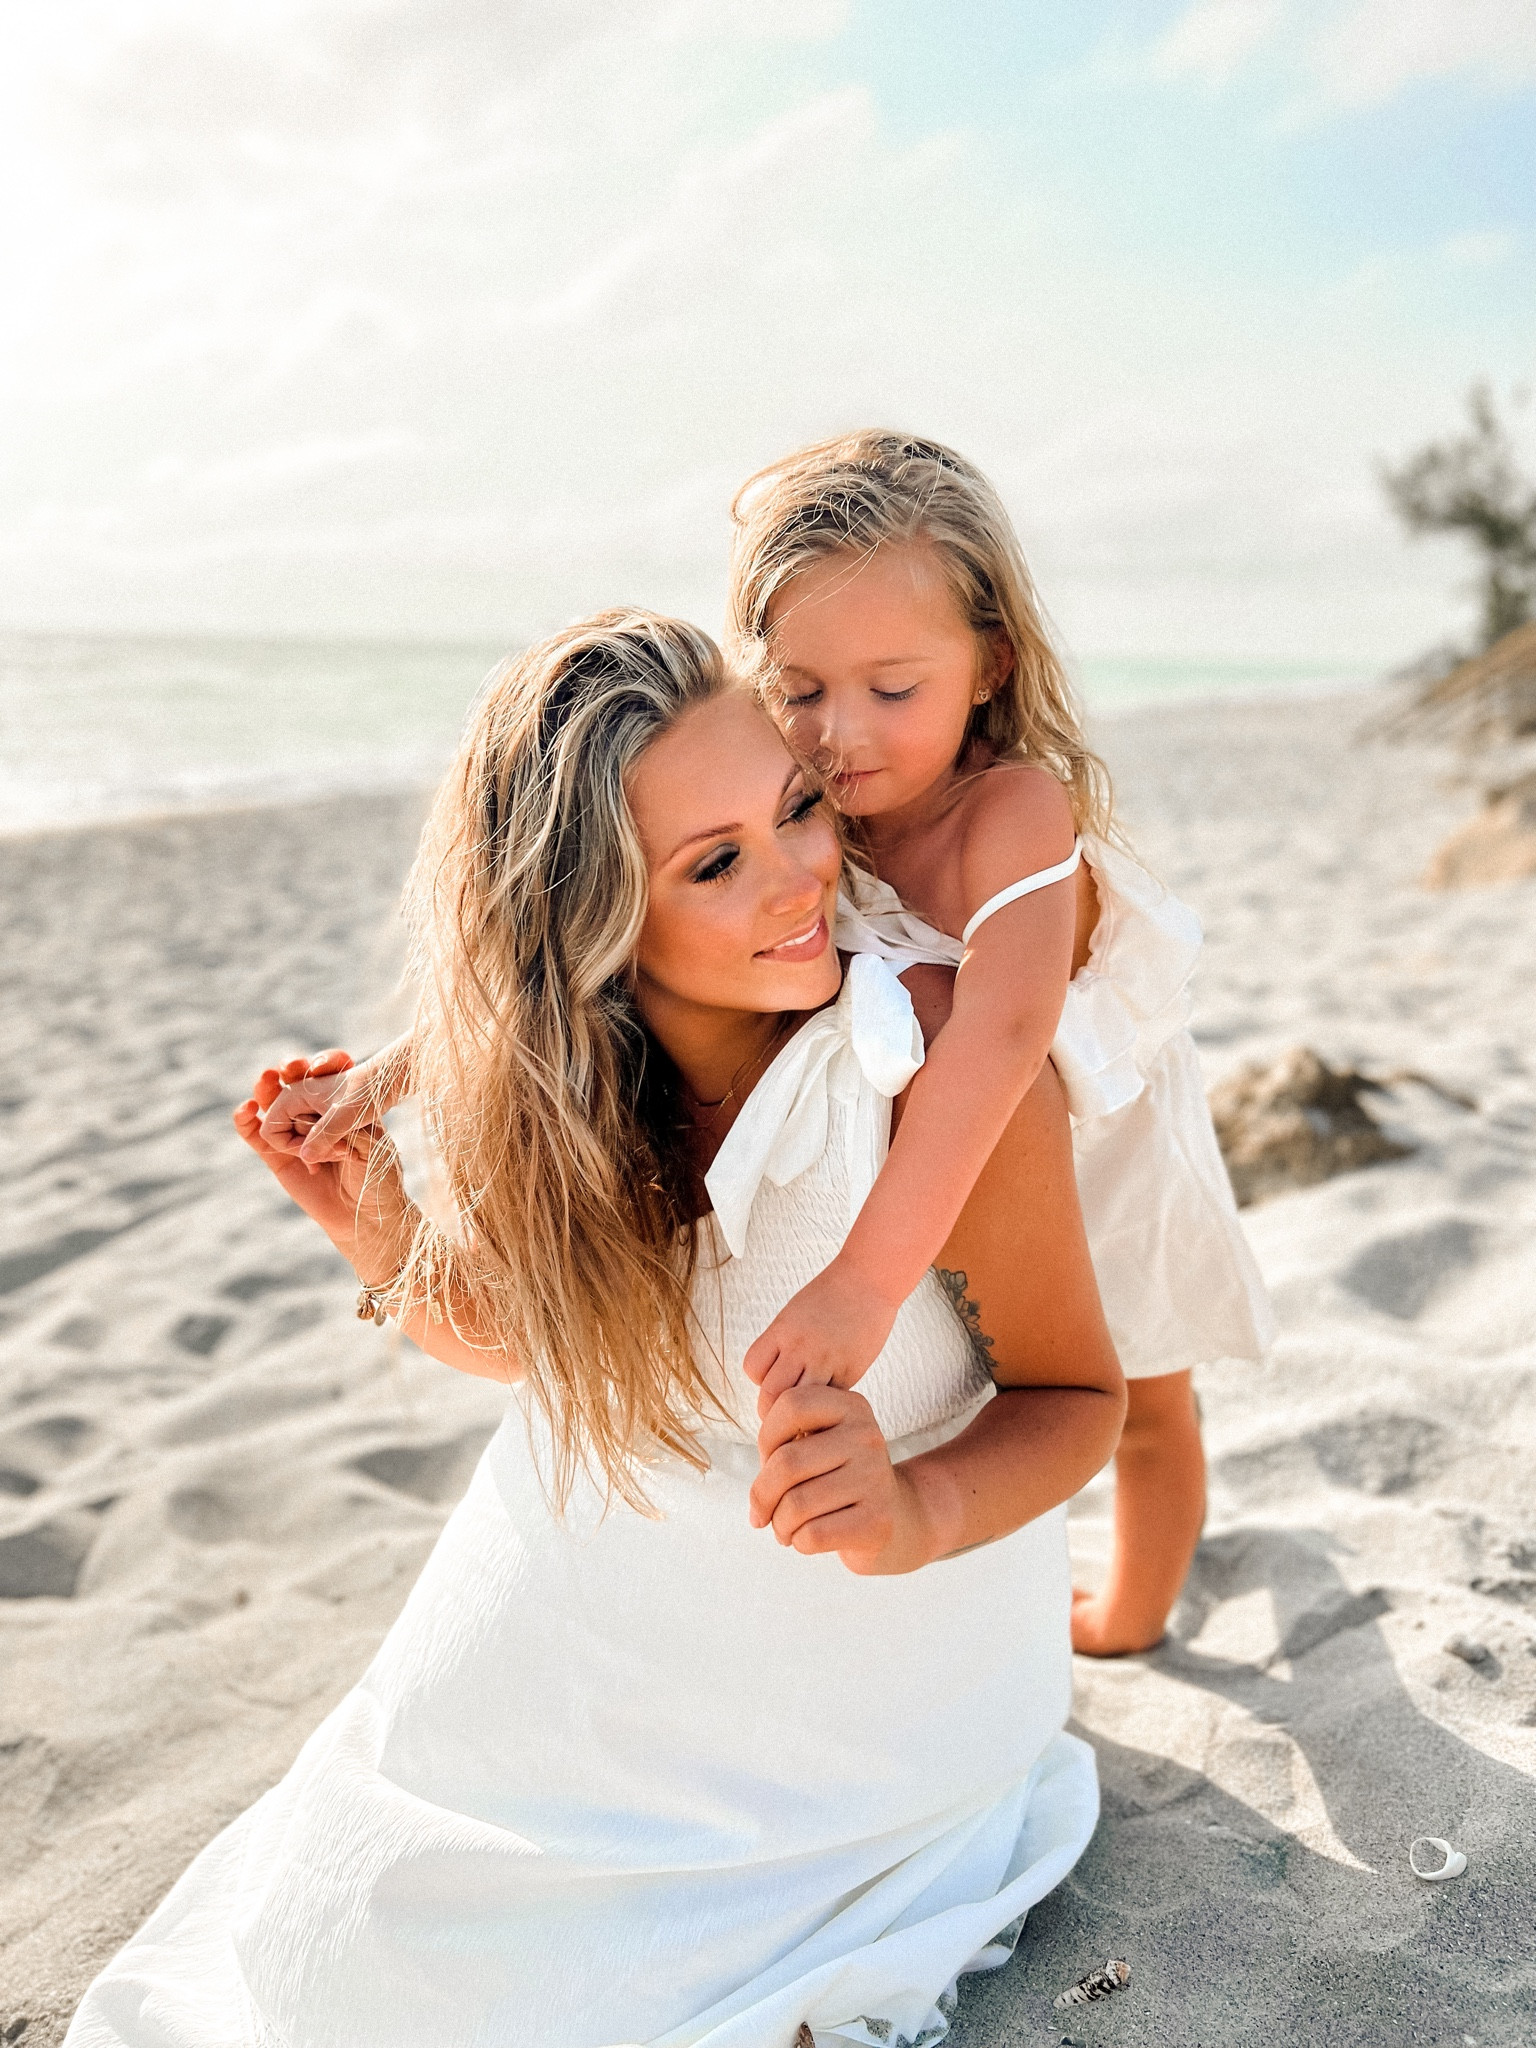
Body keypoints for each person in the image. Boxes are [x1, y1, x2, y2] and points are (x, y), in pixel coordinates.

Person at [65, 611, 1124, 2048]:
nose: (801, 876)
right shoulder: (580, 1098)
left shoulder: (921, 1074)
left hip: (862, 1683)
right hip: (617, 1599)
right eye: (716, 864)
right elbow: (524, 1348)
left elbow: (1077, 1394)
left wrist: (918, 1502)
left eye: (798, 807)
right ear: (595, 929)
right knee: (349, 1945)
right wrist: (370, 1221)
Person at [725, 431, 1274, 1657]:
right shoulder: (809, 806)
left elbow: (1008, 1027)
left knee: (1142, 1396)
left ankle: (1135, 1611)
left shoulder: (1011, 811)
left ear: (989, 667)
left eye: (891, 688)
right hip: (962, 1161)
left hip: (1098, 1138)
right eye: (799, 688)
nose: (838, 732)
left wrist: (866, 1282)